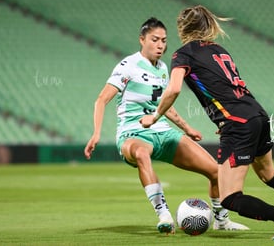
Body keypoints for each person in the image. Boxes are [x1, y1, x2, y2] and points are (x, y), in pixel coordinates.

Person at [140, 6, 274, 240]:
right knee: (269, 174)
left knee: (229, 197)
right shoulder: (220, 50)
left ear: (182, 29)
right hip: (257, 114)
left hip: (237, 123)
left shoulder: (183, 54)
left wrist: (155, 115)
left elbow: (174, 88)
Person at [84, 17, 249, 235]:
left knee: (215, 171)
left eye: (164, 40)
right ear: (142, 40)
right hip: (133, 133)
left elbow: (164, 106)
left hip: (163, 132)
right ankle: (163, 214)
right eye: (155, 39)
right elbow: (101, 99)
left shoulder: (163, 68)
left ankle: (221, 219)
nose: (161, 45)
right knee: (142, 153)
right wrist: (96, 133)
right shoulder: (128, 66)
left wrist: (187, 128)